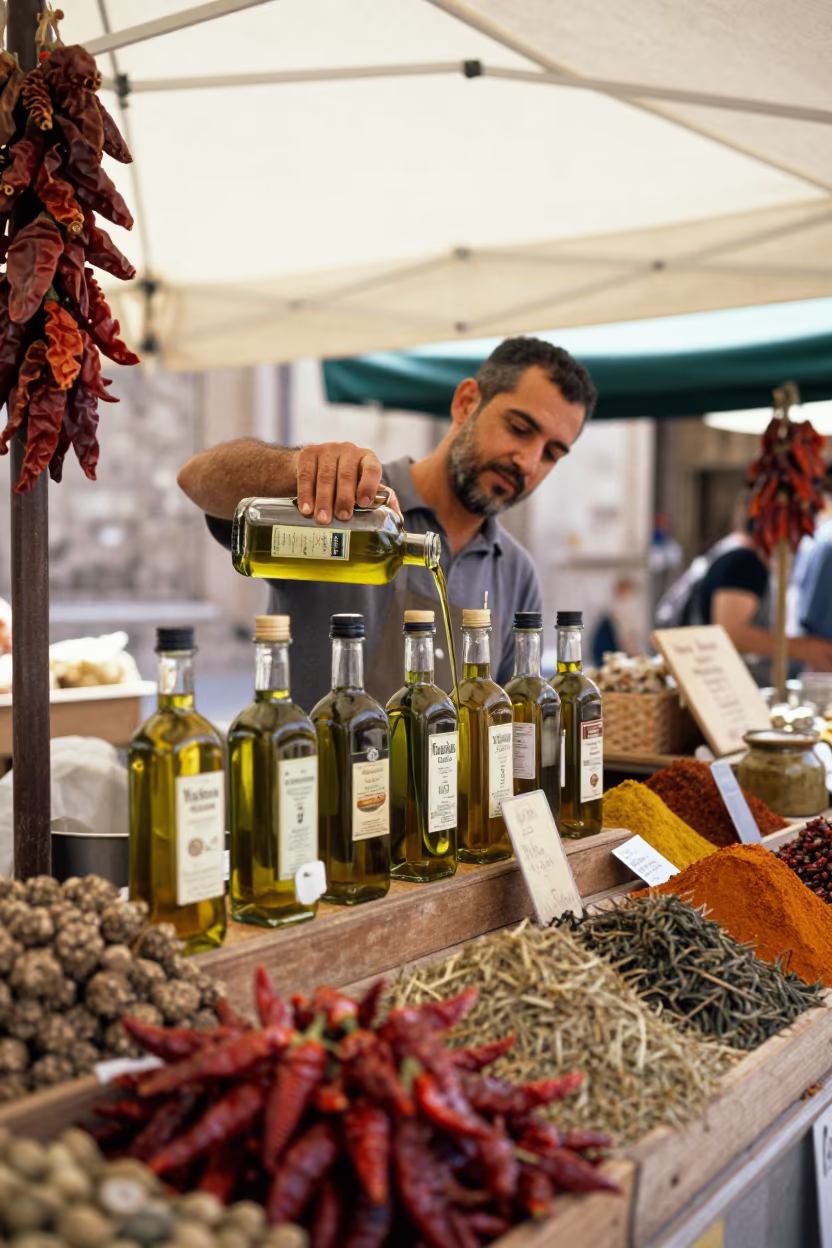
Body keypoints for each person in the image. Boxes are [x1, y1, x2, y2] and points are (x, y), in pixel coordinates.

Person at [177, 336, 597, 708]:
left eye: (551, 454)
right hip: (311, 789)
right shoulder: (351, 506)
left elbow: (502, 723)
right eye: (520, 428)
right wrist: (296, 468)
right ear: (466, 402)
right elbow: (197, 478)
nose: (528, 461)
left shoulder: (516, 571)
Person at [698, 495, 832, 683]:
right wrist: (804, 648)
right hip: (725, 687)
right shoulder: (745, 563)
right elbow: (730, 633)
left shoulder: (749, 560)